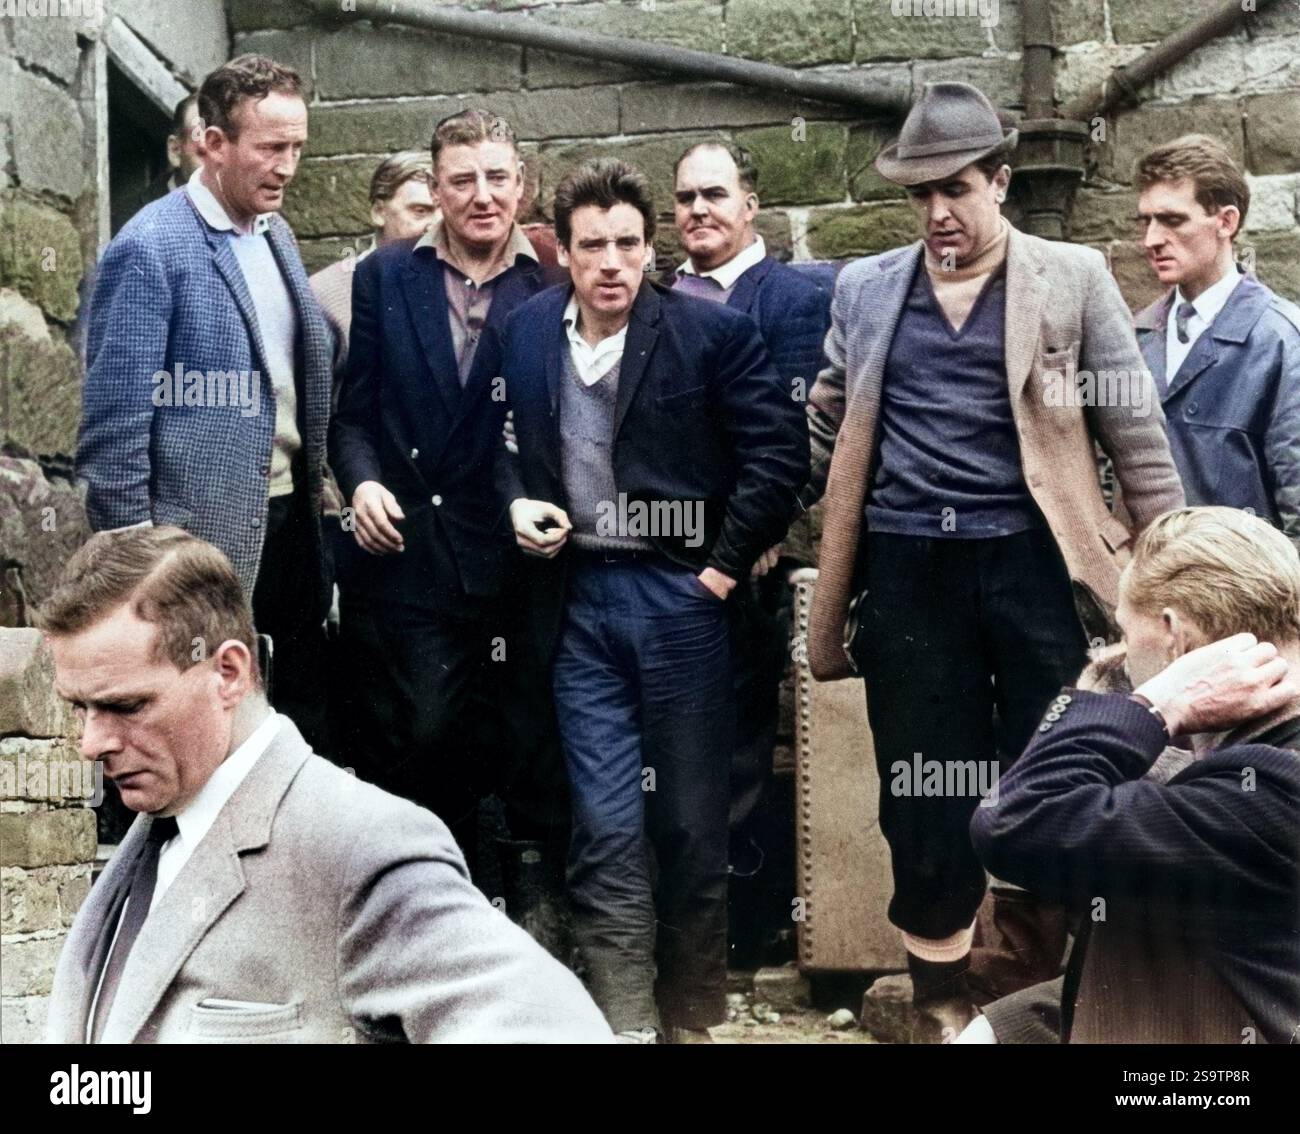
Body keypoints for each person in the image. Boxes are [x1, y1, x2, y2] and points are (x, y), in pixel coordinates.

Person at [800, 81, 1186, 1039]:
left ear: (1000, 182)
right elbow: (824, 421)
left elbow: (1135, 435)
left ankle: (1058, 993)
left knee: (1062, 770)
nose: (938, 214)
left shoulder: (1073, 276)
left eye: (957, 191)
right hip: (908, 574)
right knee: (924, 789)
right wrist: (775, 521)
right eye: (920, 196)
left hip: (1035, 570)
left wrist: (1178, 570)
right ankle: (938, 1004)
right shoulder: (867, 288)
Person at [38, 527, 613, 1044]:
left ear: (229, 673)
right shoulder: (164, 826)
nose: (92, 743)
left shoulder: (360, 844)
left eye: (126, 706)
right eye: (80, 708)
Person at [496, 157, 808, 1041]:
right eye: (592, 245)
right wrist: (515, 501)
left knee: (689, 821)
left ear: (649, 247)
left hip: (681, 602)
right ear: (564, 248)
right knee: (602, 822)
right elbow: (495, 443)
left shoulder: (706, 335)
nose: (610, 262)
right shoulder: (524, 334)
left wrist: (717, 568)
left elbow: (778, 460)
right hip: (578, 601)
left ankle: (691, 1022)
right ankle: (627, 1023)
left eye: (628, 243)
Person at [328, 110, 567, 895]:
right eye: (462, 179)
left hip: (517, 554)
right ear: (436, 189)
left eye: (497, 177)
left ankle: (524, 928)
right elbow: (353, 412)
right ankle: (425, 912)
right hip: (412, 557)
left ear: (521, 185)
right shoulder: (386, 275)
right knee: (424, 739)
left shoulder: (557, 277)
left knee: (527, 747)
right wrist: (361, 480)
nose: (481, 196)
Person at [77, 54, 334, 754]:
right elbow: (111, 441)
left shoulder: (275, 235)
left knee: (275, 731)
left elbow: (285, 377)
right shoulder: (150, 250)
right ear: (211, 144)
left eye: (297, 148)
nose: (287, 166)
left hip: (286, 530)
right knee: (193, 746)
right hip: (194, 554)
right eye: (270, 148)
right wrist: (142, 578)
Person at [970, 507, 1300, 1044]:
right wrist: (1006, 1029)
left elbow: (1014, 820)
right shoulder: (1265, 762)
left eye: (1124, 632)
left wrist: (1155, 704)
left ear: (1177, 638)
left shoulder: (1273, 787)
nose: (1116, 655)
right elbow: (1187, 961)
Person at [667, 139, 831, 962]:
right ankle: (685, 922)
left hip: (757, 557)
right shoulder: (658, 300)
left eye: (715, 195)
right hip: (668, 554)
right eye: (686, 198)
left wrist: (759, 534)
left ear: (751, 204)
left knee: (744, 743)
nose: (699, 211)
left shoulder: (796, 298)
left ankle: (747, 927)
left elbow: (807, 431)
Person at [1133, 134, 1300, 546]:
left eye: (1172, 220)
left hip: (1241, 592)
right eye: (1146, 220)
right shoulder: (1134, 335)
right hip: (1148, 588)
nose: (1152, 240)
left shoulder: (1279, 338)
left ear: (1226, 222)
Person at [310, 150, 437, 356]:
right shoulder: (327, 295)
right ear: (379, 212)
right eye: (420, 211)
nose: (435, 226)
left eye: (445, 213)